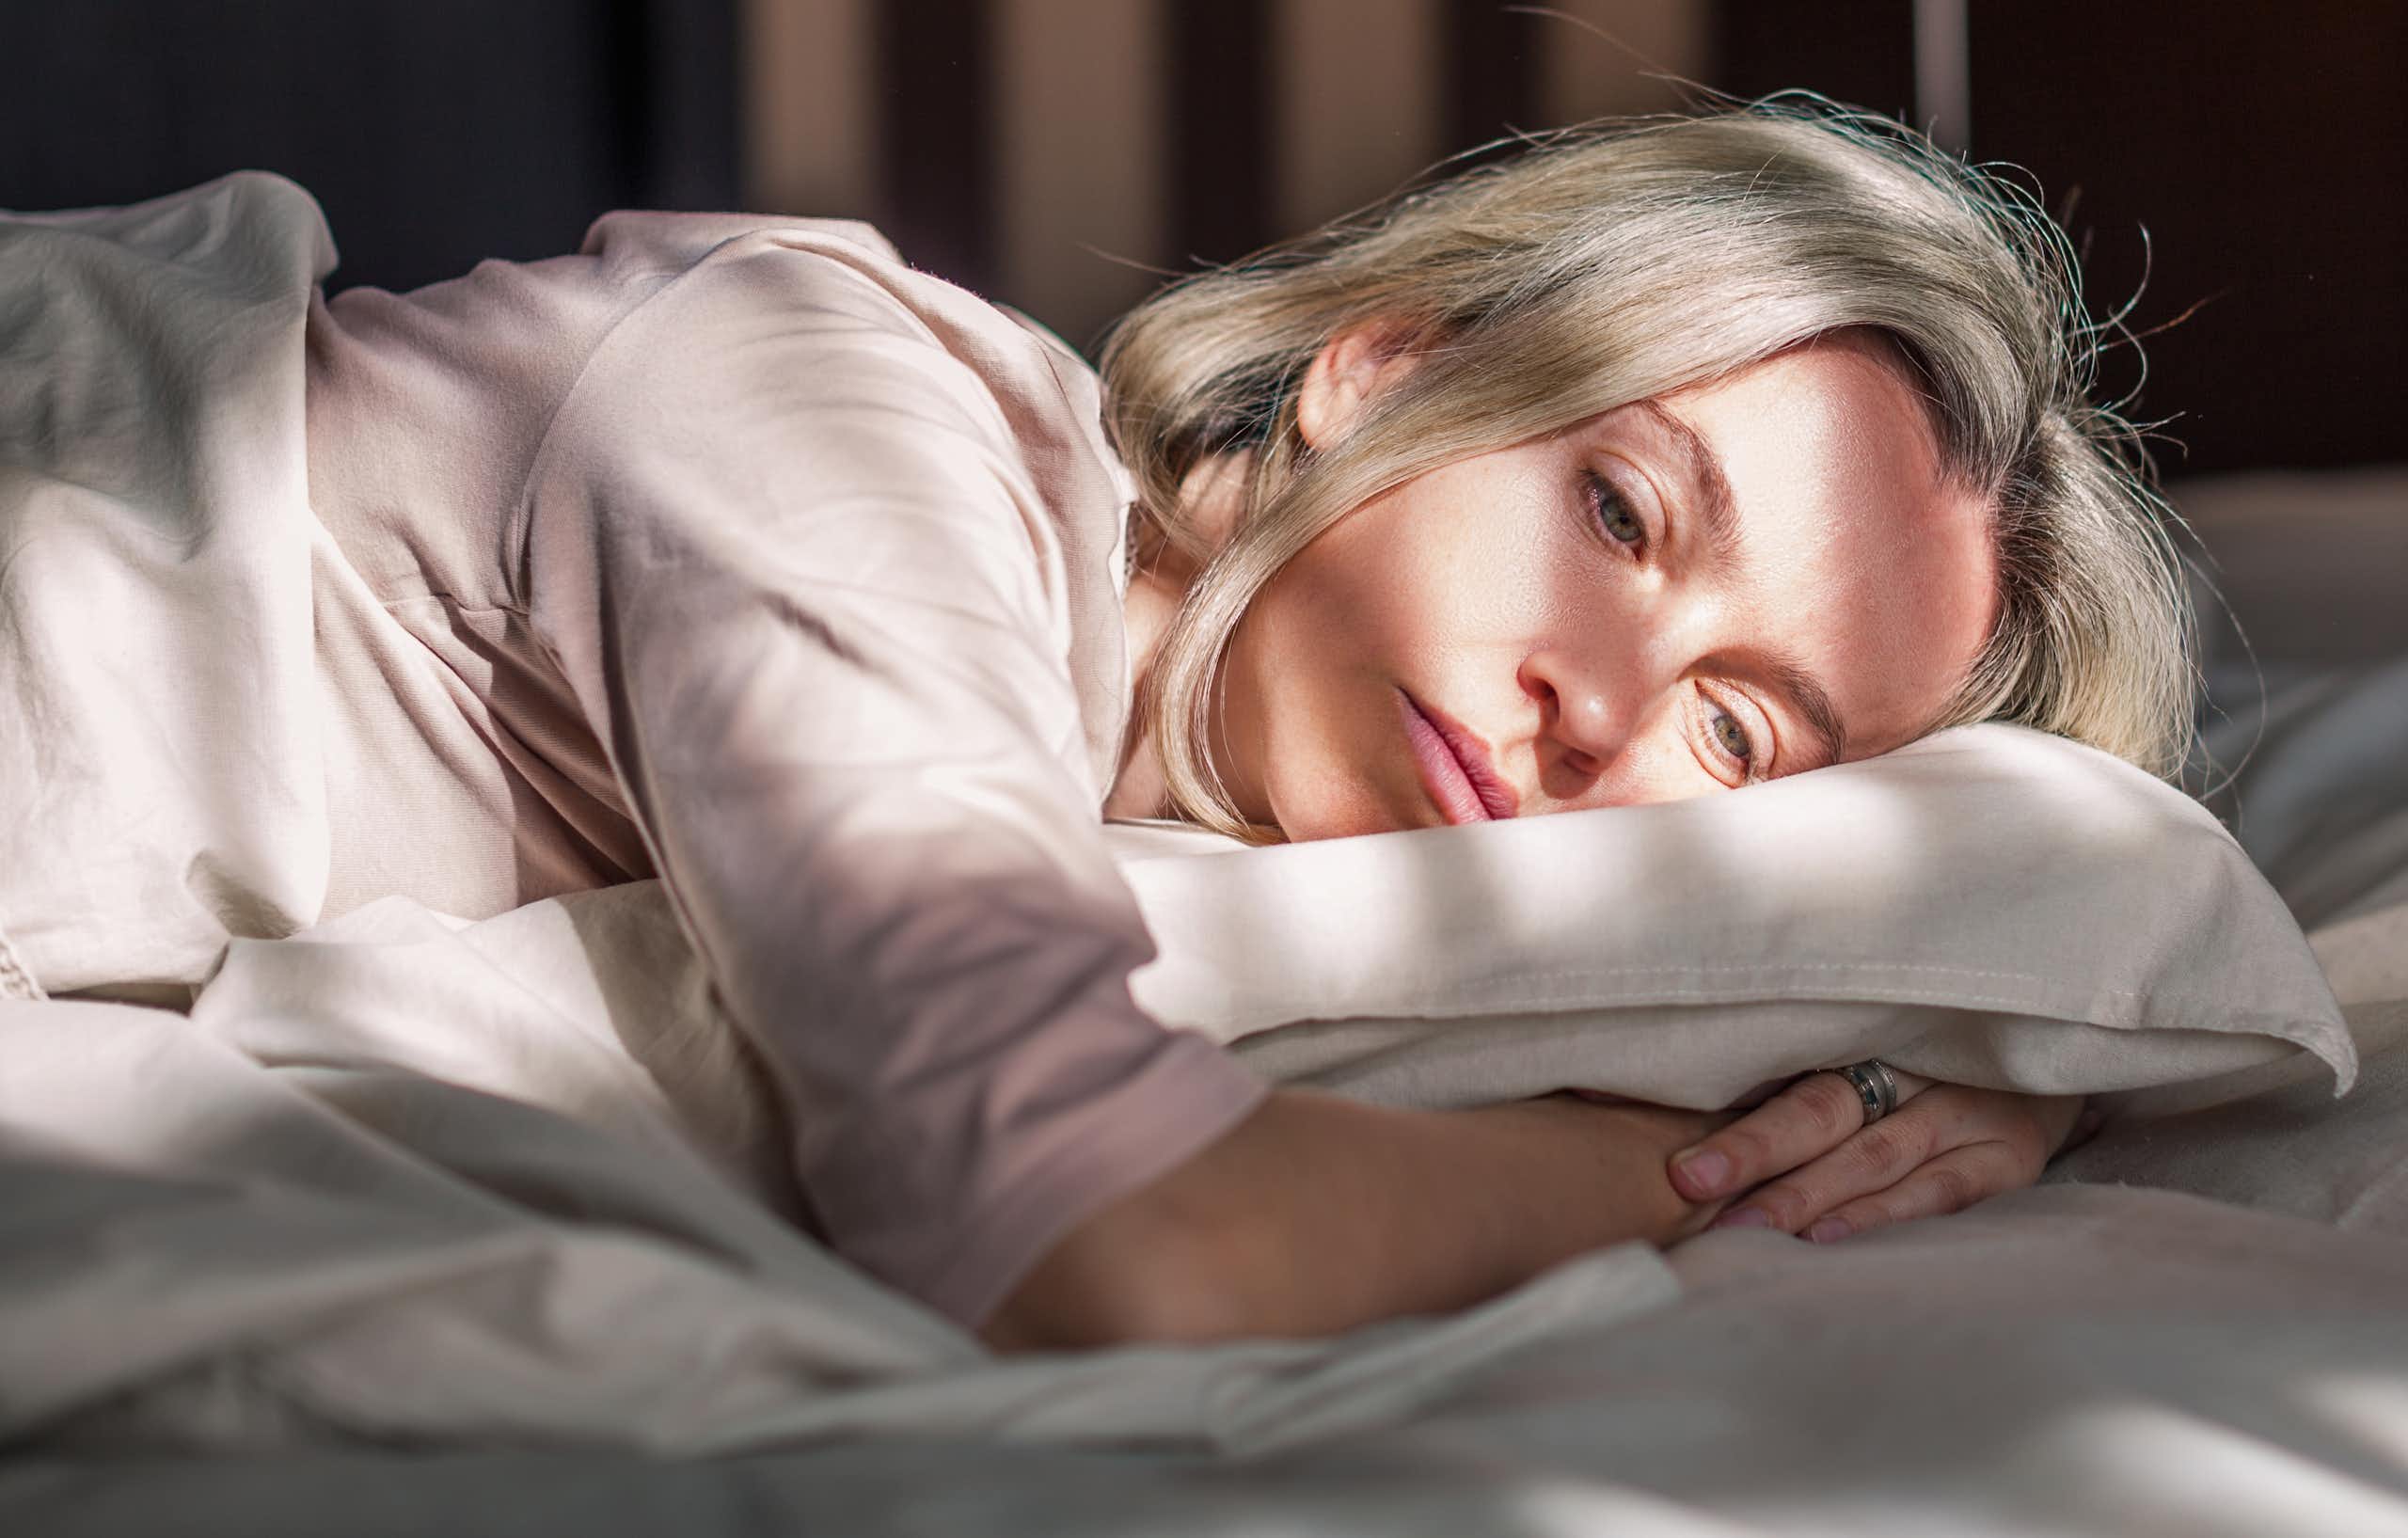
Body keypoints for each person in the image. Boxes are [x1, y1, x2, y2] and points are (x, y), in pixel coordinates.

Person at [0, 96, 2182, 1356]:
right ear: (1383, 371)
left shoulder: (1243, 869)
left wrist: (1935, 1067)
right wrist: (1698, 1180)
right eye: (1615, 514)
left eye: (1737, 736)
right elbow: (1107, 1243)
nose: (1592, 717)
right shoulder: (824, 412)